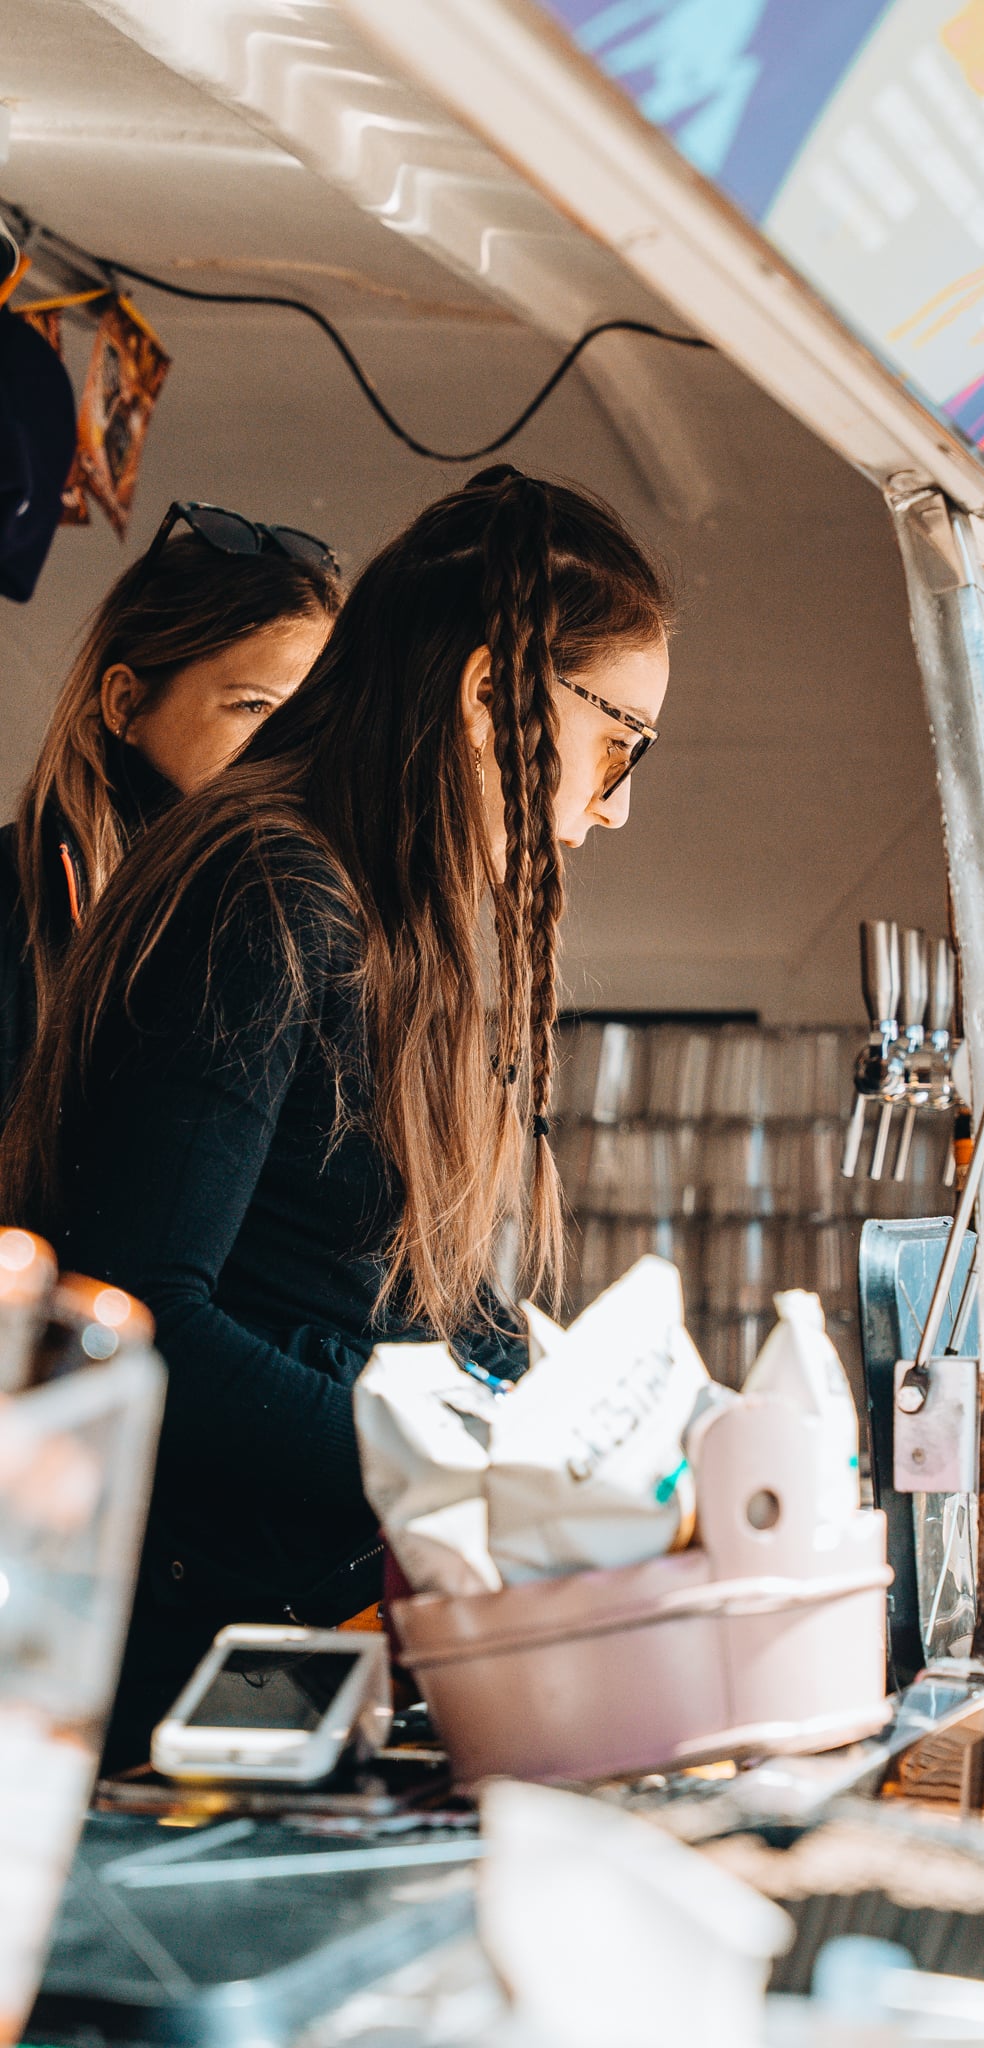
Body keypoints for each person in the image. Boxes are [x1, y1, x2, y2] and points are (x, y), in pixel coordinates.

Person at [0, 465, 671, 1763]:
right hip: (182, 1664)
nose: (617, 801)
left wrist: (560, 1418)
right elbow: (141, 1323)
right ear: (490, 699)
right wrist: (461, 1462)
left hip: (293, 1637)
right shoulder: (267, 889)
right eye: (619, 742)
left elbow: (379, 1285)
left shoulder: (378, 911)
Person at [0, 501, 342, 1109]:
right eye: (255, 706)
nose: (292, 748)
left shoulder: (288, 923)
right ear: (126, 703)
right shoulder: (15, 894)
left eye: (312, 720)